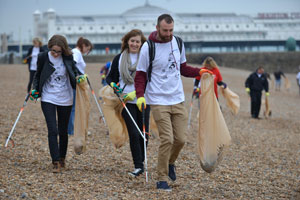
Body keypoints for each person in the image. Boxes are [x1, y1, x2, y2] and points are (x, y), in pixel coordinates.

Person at [134, 14, 212, 191]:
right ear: (157, 28)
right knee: (167, 139)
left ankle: (170, 162)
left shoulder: (178, 42)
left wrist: (200, 72)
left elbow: (183, 68)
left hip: (177, 98)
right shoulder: (148, 47)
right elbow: (140, 74)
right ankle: (161, 179)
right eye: (165, 30)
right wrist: (140, 96)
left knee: (181, 139)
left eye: (171, 30)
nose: (168, 34)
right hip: (158, 99)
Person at [31, 35, 81, 173]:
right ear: (49, 47)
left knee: (63, 130)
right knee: (52, 130)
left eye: (59, 51)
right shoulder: (43, 57)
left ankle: (63, 157)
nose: (56, 54)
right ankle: (56, 161)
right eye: (54, 50)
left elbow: (75, 72)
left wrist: (80, 79)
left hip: (66, 97)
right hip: (48, 97)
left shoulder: (68, 57)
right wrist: (35, 89)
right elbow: (38, 74)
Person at [106, 29, 150, 177]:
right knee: (134, 133)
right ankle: (138, 165)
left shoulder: (146, 58)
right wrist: (113, 86)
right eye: (132, 41)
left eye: (138, 41)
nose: (135, 44)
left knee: (144, 134)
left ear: (142, 43)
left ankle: (142, 160)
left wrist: (137, 93)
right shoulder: (119, 58)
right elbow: (110, 77)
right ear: (127, 42)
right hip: (125, 100)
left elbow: (150, 79)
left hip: (144, 99)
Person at [67, 37, 93, 136]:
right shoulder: (76, 52)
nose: (87, 51)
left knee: (74, 106)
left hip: (76, 81)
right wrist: (79, 76)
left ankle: (71, 128)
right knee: (73, 107)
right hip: (75, 83)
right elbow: (72, 65)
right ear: (83, 45)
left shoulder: (76, 52)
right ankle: (71, 130)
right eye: (88, 49)